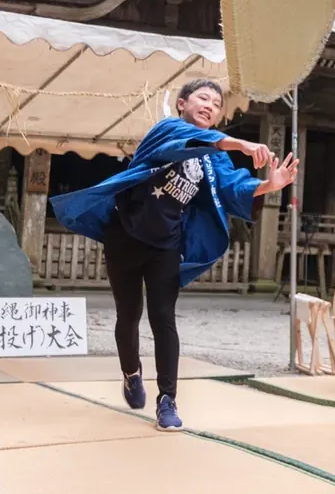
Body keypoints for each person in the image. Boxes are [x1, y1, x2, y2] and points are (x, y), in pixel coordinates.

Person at [49, 79, 297, 431]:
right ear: (183, 103)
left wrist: (271, 184)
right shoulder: (167, 129)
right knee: (129, 314)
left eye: (216, 103)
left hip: (166, 244)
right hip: (125, 235)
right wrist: (240, 142)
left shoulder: (215, 158)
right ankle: (131, 373)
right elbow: (187, 143)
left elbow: (232, 187)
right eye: (202, 98)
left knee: (163, 317)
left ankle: (167, 400)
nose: (210, 105)